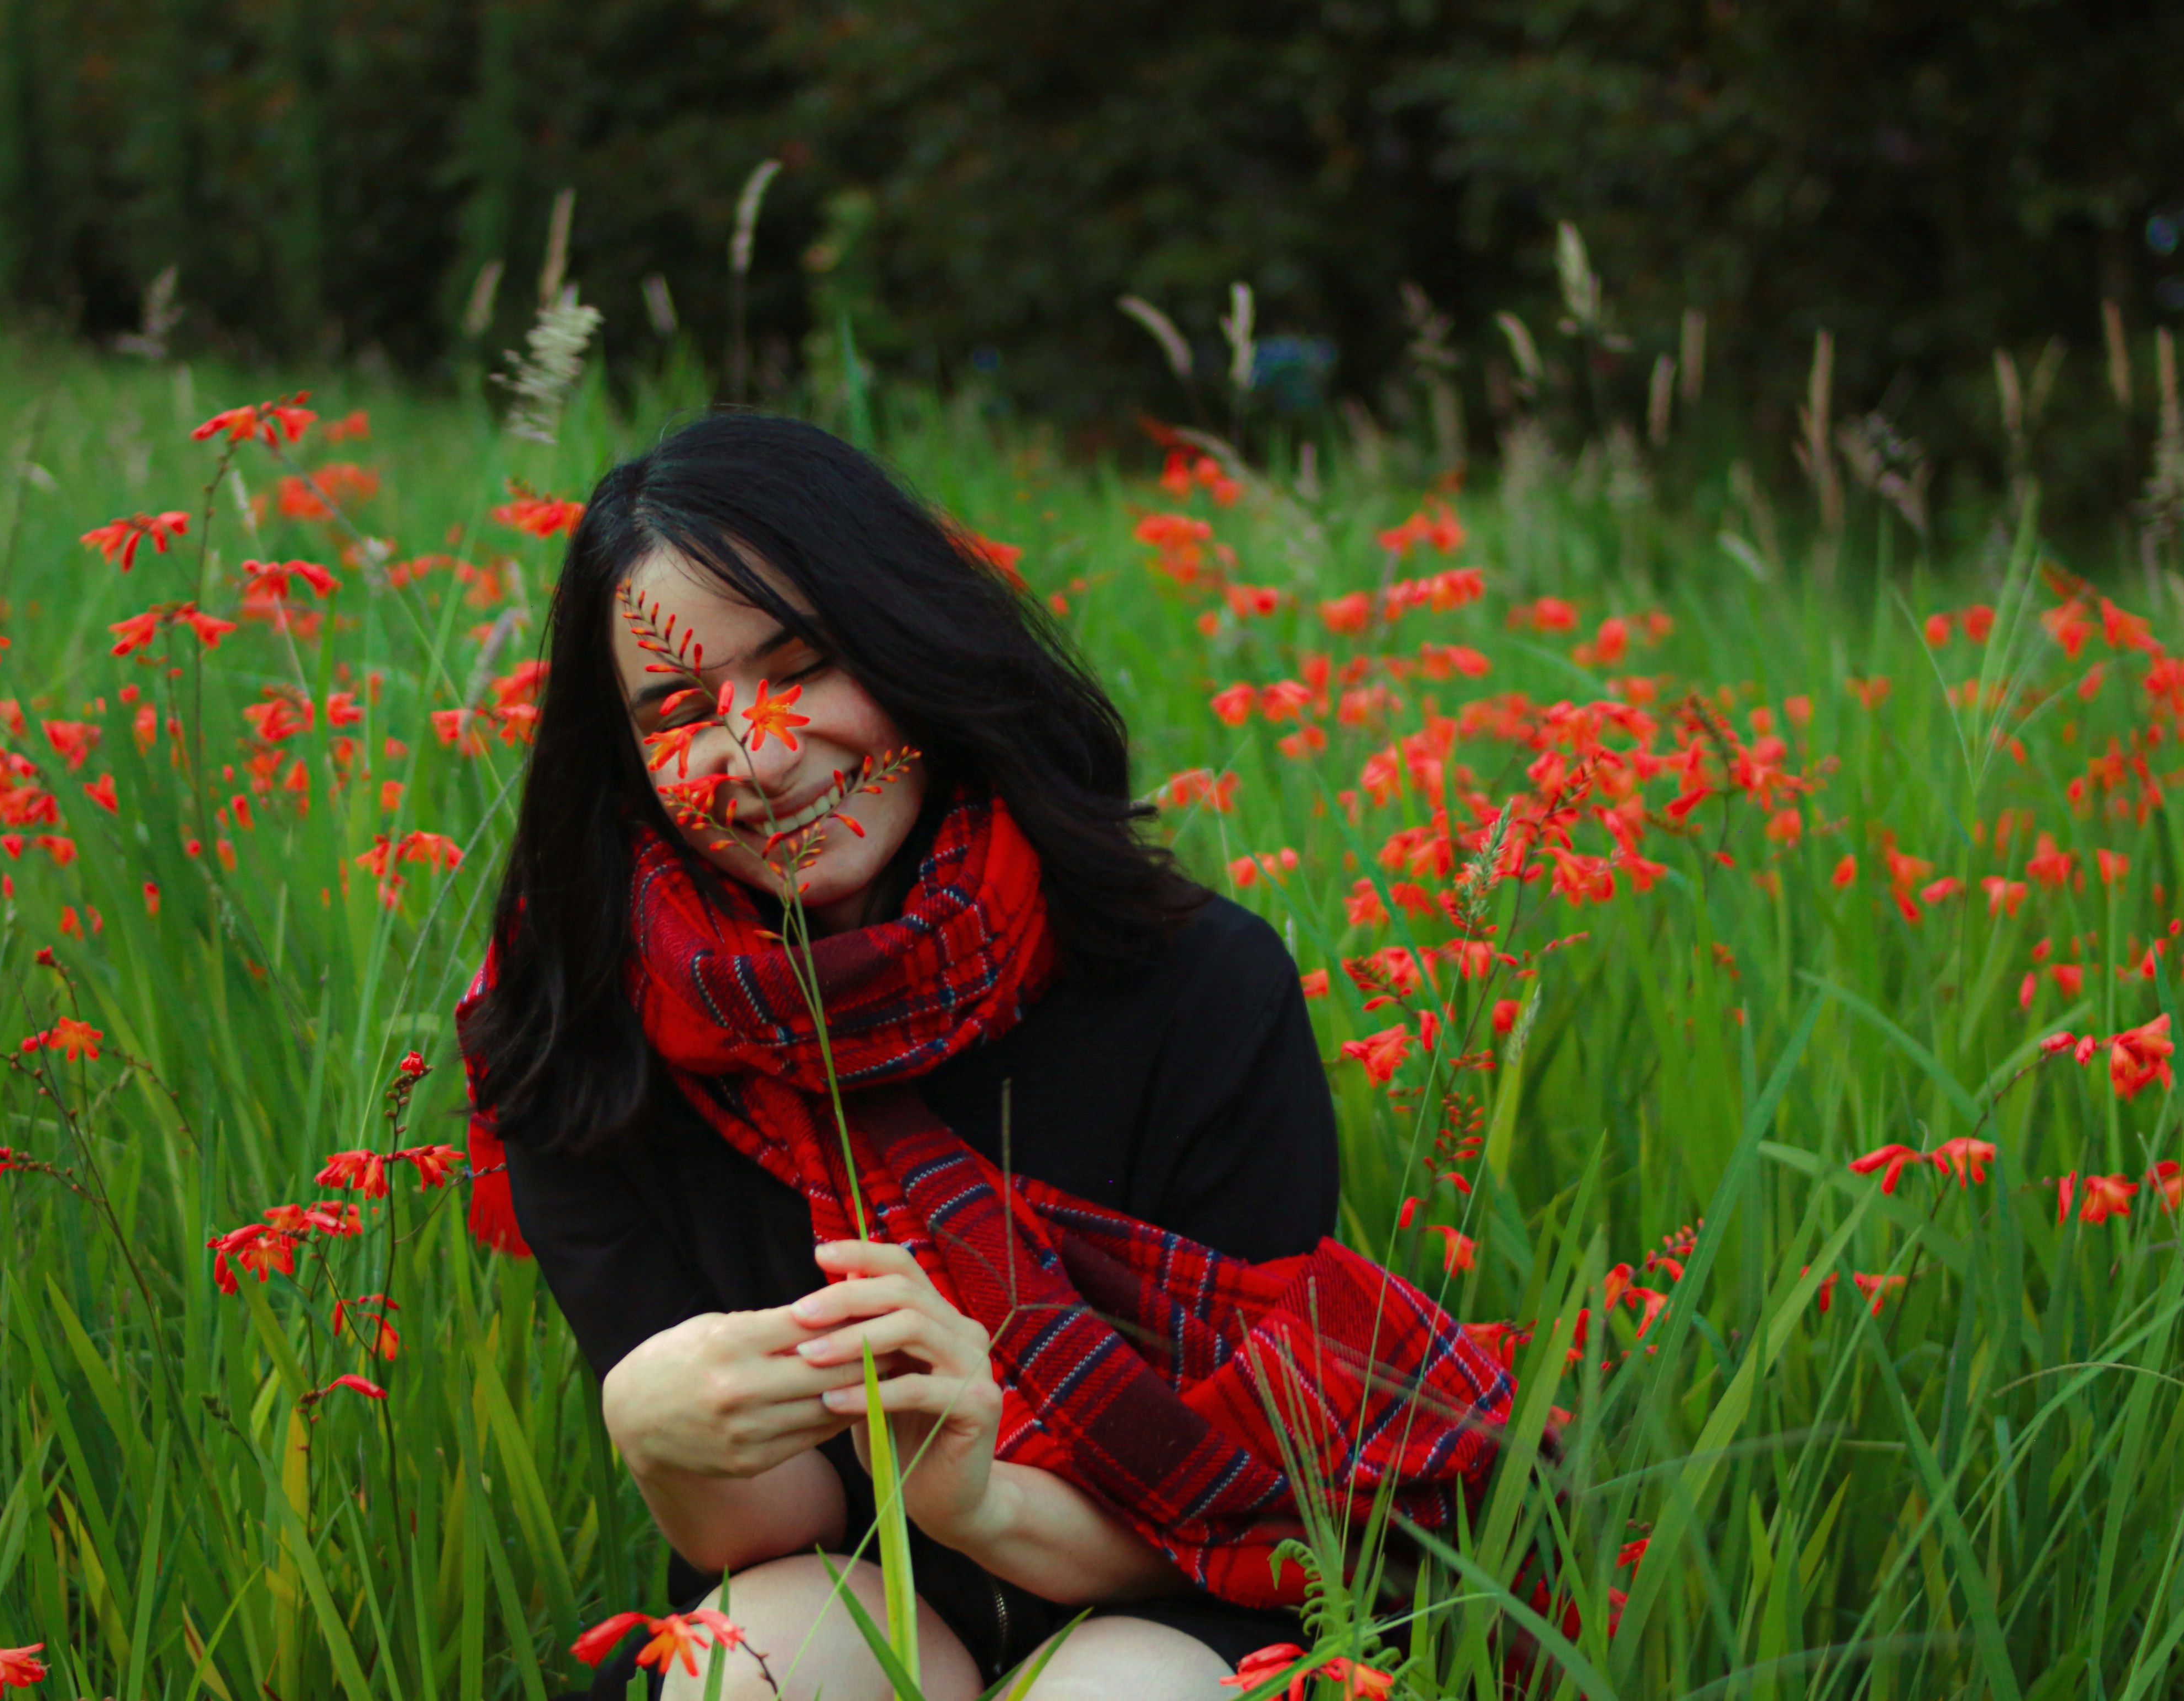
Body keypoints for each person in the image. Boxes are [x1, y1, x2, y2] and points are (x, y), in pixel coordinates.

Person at [455, 414, 1511, 1700]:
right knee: (761, 1660)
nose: (762, 756)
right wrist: (658, 1435)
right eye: (680, 710)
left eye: (803, 664)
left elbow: (1271, 1523)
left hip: (1172, 1599)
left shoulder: (1196, 986)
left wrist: (974, 1498)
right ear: (624, 764)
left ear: (911, 645)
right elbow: (771, 1541)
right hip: (829, 1593)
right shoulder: (586, 1035)